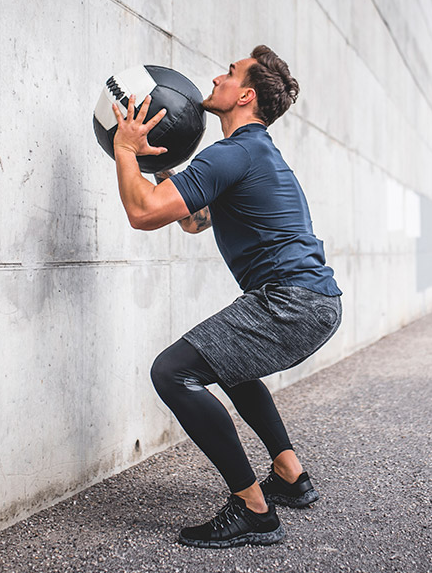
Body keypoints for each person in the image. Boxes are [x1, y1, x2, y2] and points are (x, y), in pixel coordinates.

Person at [109, 45, 342, 548]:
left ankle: (253, 508)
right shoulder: (251, 153)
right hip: (309, 301)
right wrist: (160, 166)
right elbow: (193, 220)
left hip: (292, 302)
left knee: (172, 372)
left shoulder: (233, 153)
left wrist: (125, 149)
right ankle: (289, 475)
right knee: (228, 363)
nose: (217, 77)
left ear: (246, 95)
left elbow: (143, 214)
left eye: (230, 73)